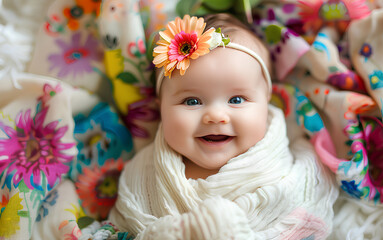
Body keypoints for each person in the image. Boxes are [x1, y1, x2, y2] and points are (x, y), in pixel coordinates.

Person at [108, 13, 337, 239]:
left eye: (236, 100)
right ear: (161, 108)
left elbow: (306, 206)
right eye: (192, 101)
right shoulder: (145, 174)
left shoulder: (289, 167)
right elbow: (123, 228)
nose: (216, 116)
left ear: (266, 99)